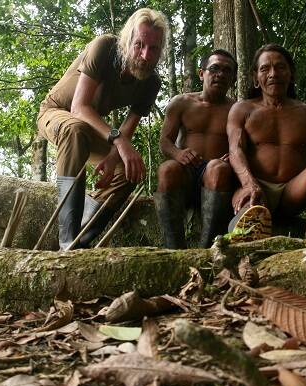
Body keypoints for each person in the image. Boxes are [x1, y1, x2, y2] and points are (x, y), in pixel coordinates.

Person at [37, 9, 169, 249]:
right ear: (127, 41)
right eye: (139, 44)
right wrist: (118, 141)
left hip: (91, 130)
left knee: (130, 169)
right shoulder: (104, 47)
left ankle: (82, 238)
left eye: (154, 48)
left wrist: (113, 156)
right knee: (75, 129)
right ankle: (67, 241)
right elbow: (79, 107)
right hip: (57, 114)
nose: (145, 54)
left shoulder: (151, 83)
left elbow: (128, 129)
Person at [227, 44, 306, 240]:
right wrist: (249, 184)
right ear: (256, 78)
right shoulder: (243, 109)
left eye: (280, 67)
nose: (273, 74)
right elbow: (235, 150)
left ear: (291, 74)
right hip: (256, 188)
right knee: (252, 212)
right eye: (265, 68)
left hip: (293, 193)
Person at [155, 49, 238, 248]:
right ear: (202, 73)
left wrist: (233, 158)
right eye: (214, 68)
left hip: (217, 178)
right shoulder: (181, 103)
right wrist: (178, 153)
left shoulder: (237, 109)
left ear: (233, 78)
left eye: (227, 71)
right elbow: (165, 141)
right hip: (185, 174)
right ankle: (173, 250)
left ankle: (208, 250)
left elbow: (243, 147)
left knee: (217, 169)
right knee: (167, 169)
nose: (220, 74)